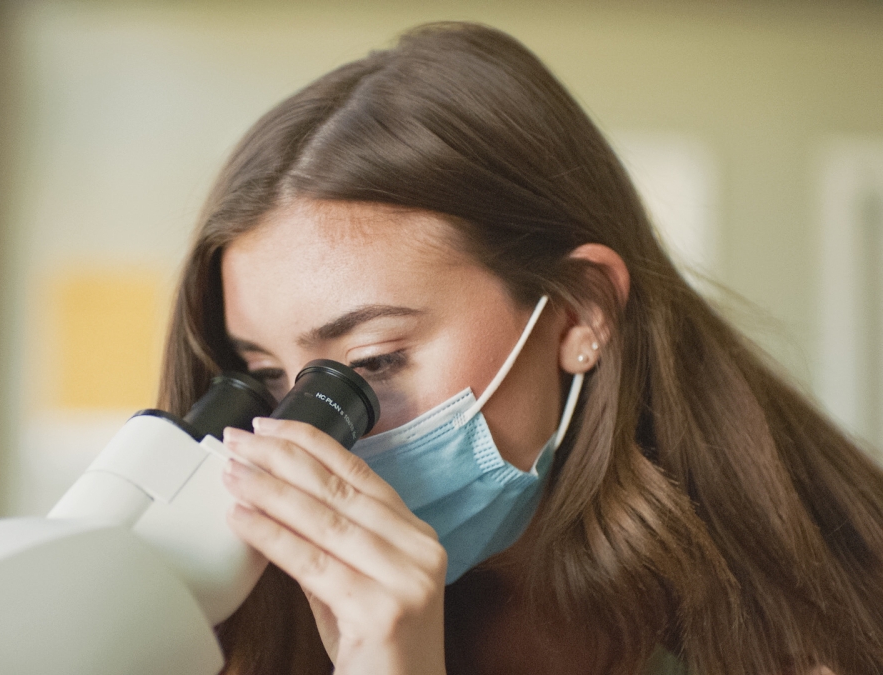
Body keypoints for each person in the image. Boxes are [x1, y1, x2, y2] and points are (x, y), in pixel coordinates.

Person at [156, 22, 883, 675]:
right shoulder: (257, 625)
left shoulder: (832, 628)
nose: (307, 438)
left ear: (578, 313)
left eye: (372, 363)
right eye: (264, 378)